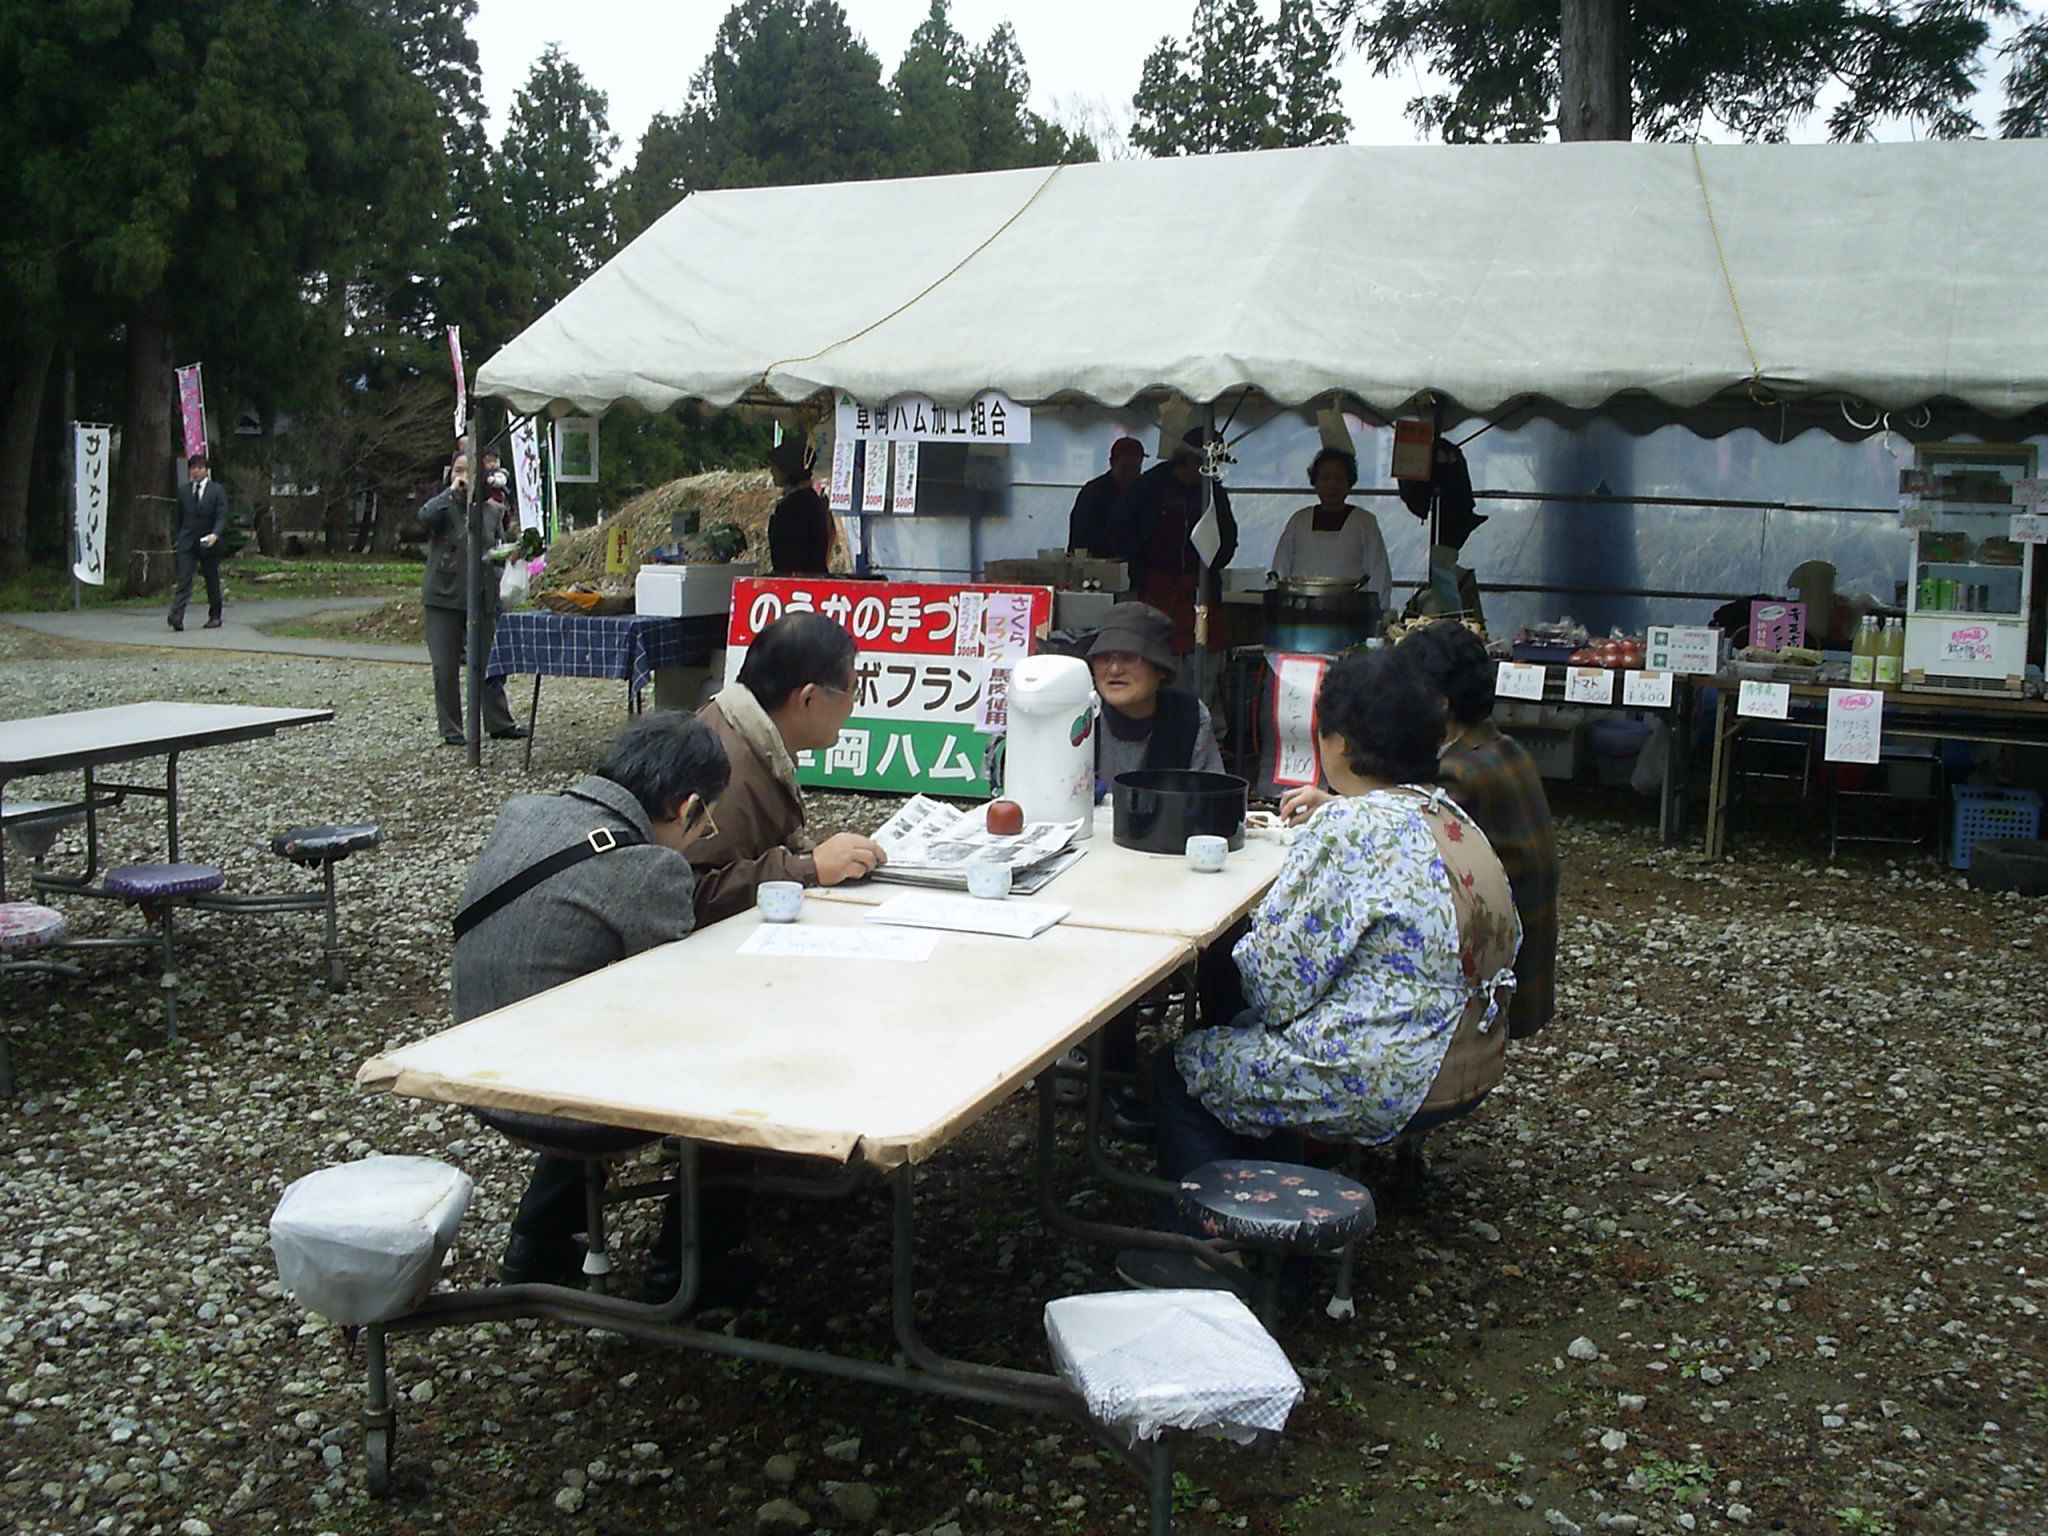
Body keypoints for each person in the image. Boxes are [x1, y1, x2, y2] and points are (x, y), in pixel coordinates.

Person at [1152, 649, 1520, 1202]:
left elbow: (1277, 988)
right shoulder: (1448, 816)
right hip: (1473, 1054)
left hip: (1398, 1075)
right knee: (1253, 1034)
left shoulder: (1353, 823)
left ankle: (1213, 1245)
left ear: (1340, 743)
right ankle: (1283, 1225)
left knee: (1182, 1067)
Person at [451, 712, 732, 1293]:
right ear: (687, 807)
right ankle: (689, 1271)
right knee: (731, 1067)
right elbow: (683, 1004)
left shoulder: (524, 811)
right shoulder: (649, 867)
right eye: (704, 824)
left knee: (572, 1029)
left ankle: (537, 1242)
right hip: (551, 1100)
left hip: (468, 1062)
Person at [1279, 620, 1559, 1039]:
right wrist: (1341, 801)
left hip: (1483, 981)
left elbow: (1399, 837)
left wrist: (1343, 811)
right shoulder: (1501, 749)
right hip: (1523, 963)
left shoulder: (1455, 776)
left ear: (1439, 705)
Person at [689, 611, 887, 923]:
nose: (852, 704)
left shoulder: (745, 732)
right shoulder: (726, 771)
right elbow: (691, 894)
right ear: (808, 698)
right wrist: (809, 868)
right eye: (852, 691)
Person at [419, 455, 526, 746]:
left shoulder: (493, 510)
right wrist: (452, 492)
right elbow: (425, 519)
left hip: (483, 596)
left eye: (470, 470)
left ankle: (499, 722)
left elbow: (499, 548)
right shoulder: (442, 506)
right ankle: (451, 729)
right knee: (445, 666)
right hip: (443, 595)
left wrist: (512, 555)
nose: (464, 475)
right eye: (458, 469)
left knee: (489, 662)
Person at [1106, 430, 1238, 654]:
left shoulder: (1214, 491)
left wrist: (1213, 562)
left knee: (1204, 650)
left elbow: (1228, 535)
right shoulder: (1148, 487)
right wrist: (1142, 561)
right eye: (1208, 464)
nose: (1211, 471)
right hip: (1156, 588)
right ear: (1189, 459)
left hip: (1201, 589)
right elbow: (1119, 528)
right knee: (1155, 649)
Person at [1088, 601, 1225, 787]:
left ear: (1161, 669)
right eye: (1104, 656)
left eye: (1130, 657)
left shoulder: (1189, 716)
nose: (1114, 669)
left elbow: (1209, 798)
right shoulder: (1076, 712)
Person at [1267, 446, 1392, 609]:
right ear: (1315, 482)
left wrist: (1379, 614)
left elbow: (1379, 573)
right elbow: (1280, 570)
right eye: (1325, 478)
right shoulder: (1298, 521)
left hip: (1351, 614)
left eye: (1339, 478)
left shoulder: (1365, 522)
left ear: (1350, 482)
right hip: (1301, 613)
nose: (1332, 485)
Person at [168, 452, 229, 631]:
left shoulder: (216, 490)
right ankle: (177, 615)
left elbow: (222, 515)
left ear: (206, 470)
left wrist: (215, 534)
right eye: (193, 468)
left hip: (209, 541)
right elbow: (179, 517)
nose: (195, 471)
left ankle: (215, 616)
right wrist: (178, 538)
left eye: (199, 468)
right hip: (187, 541)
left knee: (211, 579)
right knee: (184, 578)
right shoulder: (184, 491)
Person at [1067, 436, 1146, 555]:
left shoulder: (1143, 493)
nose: (1130, 474)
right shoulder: (1093, 493)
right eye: (1124, 468)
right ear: (1111, 463)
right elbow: (1085, 534)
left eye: (1135, 468)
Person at [766, 438, 834, 576]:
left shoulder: (796, 504)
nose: (772, 471)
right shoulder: (808, 498)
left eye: (775, 467)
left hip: (798, 584)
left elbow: (793, 553)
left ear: (787, 471)